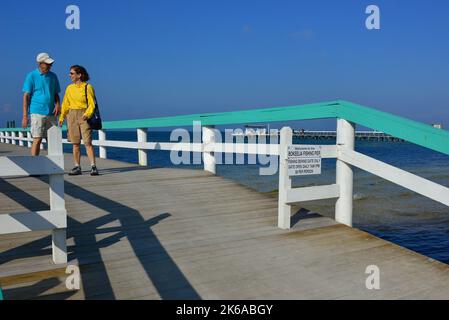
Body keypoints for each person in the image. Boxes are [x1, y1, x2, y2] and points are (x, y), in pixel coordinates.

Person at [59, 65, 99, 176]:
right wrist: (62, 117)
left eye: (72, 73)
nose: (69, 75)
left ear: (79, 75)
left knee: (87, 142)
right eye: (70, 73)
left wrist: (87, 114)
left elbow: (92, 104)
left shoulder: (88, 87)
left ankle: (93, 167)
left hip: (84, 115)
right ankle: (77, 167)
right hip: (71, 115)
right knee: (75, 143)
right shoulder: (69, 88)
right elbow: (65, 104)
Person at [22, 53, 61, 155]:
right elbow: (26, 96)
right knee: (37, 139)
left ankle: (54, 166)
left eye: (50, 64)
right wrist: (25, 116)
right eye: (47, 64)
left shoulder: (53, 76)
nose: (50, 66)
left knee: (52, 140)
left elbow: (56, 93)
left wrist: (58, 105)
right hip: (36, 111)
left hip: (51, 112)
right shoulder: (31, 76)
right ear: (40, 63)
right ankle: (35, 166)